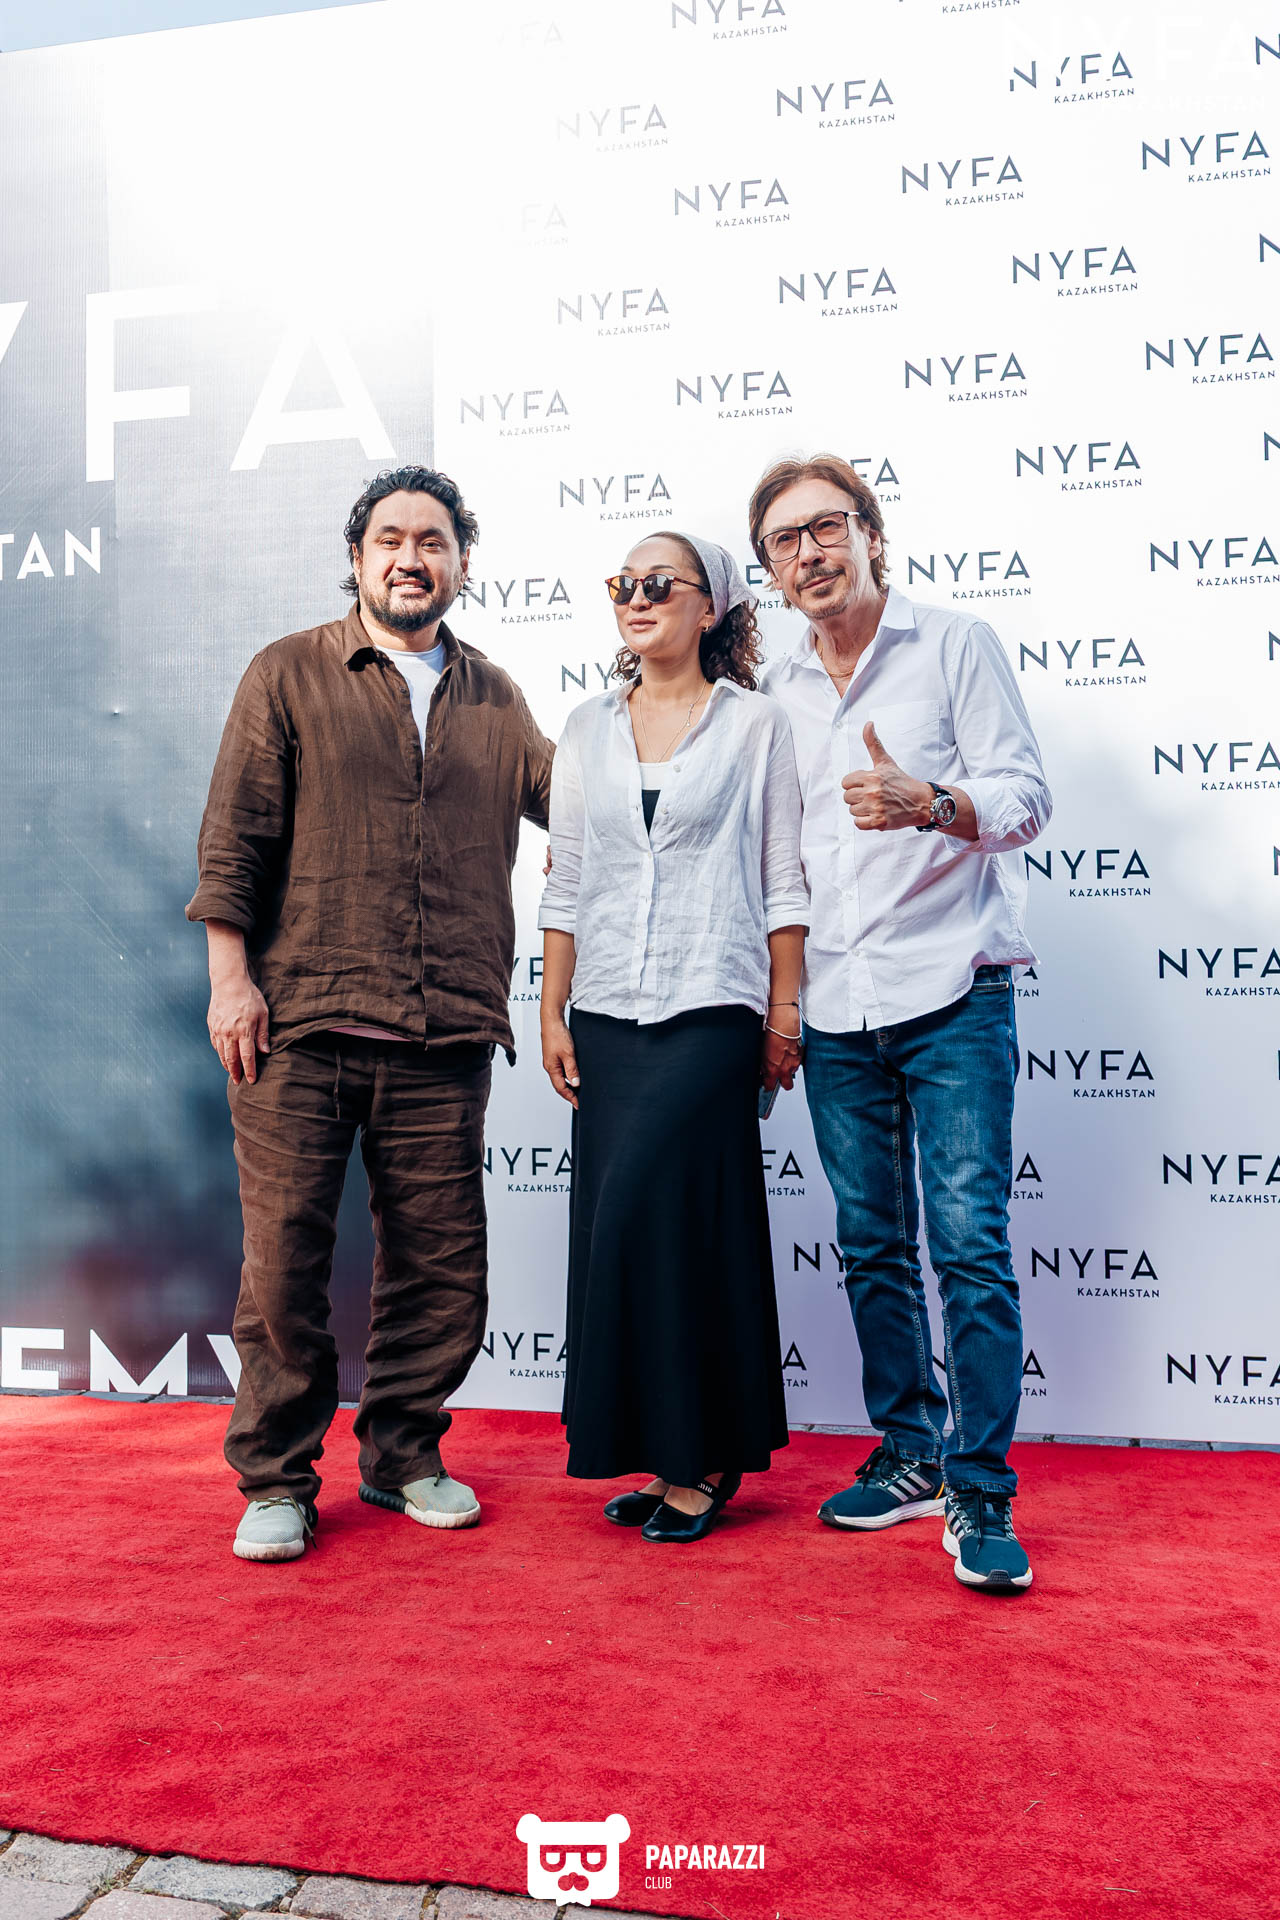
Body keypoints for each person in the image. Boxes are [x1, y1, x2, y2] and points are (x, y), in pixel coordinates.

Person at [187, 465, 554, 1562]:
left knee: (442, 1269)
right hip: (298, 1023)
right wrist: (230, 980)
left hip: (445, 1032)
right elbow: (233, 840)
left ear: (461, 564)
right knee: (282, 1269)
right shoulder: (288, 672)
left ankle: (403, 1457)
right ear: (356, 559)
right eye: (390, 539)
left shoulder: (497, 699)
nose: (410, 557)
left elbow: (578, 804)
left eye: (432, 541)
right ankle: (276, 1481)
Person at [751, 454, 1052, 1592]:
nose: (809, 553)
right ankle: (912, 1450)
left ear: (871, 533)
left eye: (825, 527)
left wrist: (932, 803)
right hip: (835, 1003)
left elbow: (1025, 796)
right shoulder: (774, 688)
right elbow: (773, 857)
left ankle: (980, 1489)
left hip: (952, 989)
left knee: (968, 1245)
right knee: (872, 1244)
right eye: (784, 541)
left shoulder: (955, 644)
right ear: (770, 569)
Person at [538, 531, 808, 1543]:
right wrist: (551, 1007)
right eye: (624, 583)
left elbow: (783, 877)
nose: (637, 596)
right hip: (608, 1010)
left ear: (711, 608)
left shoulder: (755, 725)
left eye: (660, 582)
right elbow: (567, 880)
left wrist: (783, 1013)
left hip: (711, 1005)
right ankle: (668, 1455)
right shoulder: (586, 727)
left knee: (685, 1223)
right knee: (620, 1232)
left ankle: (705, 1457)